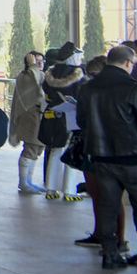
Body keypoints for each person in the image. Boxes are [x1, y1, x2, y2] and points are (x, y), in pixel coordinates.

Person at [74, 44, 137, 270]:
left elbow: (82, 121)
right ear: (127, 63)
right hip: (134, 157)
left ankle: (110, 254)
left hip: (100, 157)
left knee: (107, 205)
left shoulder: (87, 88)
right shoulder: (134, 88)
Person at [39, 45, 85, 201]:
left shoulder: (50, 73)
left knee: (55, 149)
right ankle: (69, 189)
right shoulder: (78, 75)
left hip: (53, 114)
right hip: (72, 116)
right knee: (71, 150)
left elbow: (45, 92)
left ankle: (50, 188)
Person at [9, 50, 46, 194]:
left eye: (42, 61)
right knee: (30, 149)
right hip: (30, 118)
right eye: (36, 61)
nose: (39, 64)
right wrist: (32, 67)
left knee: (36, 150)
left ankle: (28, 181)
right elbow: (36, 86)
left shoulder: (39, 74)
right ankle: (23, 183)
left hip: (40, 117)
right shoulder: (26, 76)